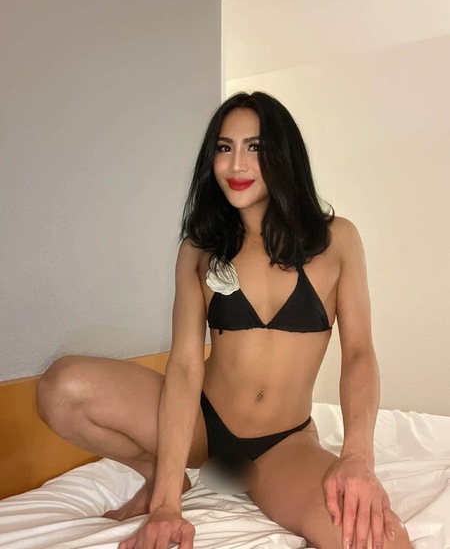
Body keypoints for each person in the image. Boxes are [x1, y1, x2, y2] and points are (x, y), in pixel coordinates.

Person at [37, 92, 412, 549]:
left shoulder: (337, 241)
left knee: (382, 541)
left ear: (283, 154)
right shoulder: (199, 250)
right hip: (202, 424)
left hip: (282, 444)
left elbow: (358, 354)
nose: (236, 164)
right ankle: (161, 474)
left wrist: (357, 457)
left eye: (255, 147)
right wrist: (165, 503)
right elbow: (184, 367)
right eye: (224, 147)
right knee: (62, 387)